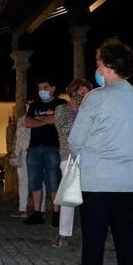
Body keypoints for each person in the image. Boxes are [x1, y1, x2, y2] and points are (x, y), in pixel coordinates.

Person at [62, 38, 133, 265]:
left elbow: (74, 140)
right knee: (128, 241)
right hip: (128, 181)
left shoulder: (96, 97)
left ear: (109, 66)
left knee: (94, 243)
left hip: (98, 180)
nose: (97, 67)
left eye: (99, 63)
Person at [51, 79, 93, 247]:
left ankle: (91, 232)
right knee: (69, 197)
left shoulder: (90, 111)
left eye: (85, 93)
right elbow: (68, 130)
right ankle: (64, 235)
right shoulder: (62, 109)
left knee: (91, 195)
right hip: (68, 157)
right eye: (80, 93)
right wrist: (83, 114)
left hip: (89, 158)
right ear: (72, 92)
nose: (82, 96)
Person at [24, 78, 66, 225]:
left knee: (54, 180)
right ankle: (37, 213)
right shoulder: (35, 105)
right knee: (34, 181)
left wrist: (39, 119)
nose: (41, 90)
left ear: (53, 89)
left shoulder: (60, 104)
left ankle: (56, 213)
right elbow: (27, 122)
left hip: (53, 147)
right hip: (34, 148)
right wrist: (47, 119)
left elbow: (58, 119)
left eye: (45, 87)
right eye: (40, 87)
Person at [10, 102, 47, 219]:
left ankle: (41, 209)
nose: (29, 105)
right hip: (23, 153)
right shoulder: (21, 119)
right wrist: (15, 153)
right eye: (27, 103)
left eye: (31, 103)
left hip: (36, 152)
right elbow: (17, 137)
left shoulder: (41, 118)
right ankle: (22, 209)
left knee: (40, 182)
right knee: (22, 181)